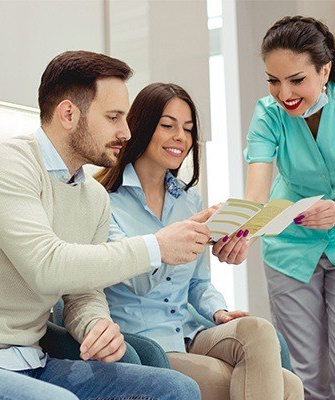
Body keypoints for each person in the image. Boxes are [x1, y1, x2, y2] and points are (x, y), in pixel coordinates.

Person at [0, 50, 208, 400]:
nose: (126, 131)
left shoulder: (93, 197)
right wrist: (156, 246)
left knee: (174, 389)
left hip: (30, 359)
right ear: (69, 114)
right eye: (113, 117)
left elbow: (82, 291)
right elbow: (48, 267)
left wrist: (95, 324)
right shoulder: (5, 164)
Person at [216, 16, 335, 399]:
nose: (284, 94)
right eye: (273, 80)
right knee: (302, 375)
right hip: (291, 246)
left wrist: (334, 212)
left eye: (296, 80)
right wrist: (242, 232)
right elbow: (256, 195)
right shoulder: (268, 114)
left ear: (325, 68)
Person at [95, 82, 303, 400]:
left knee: (258, 330)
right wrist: (176, 237)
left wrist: (218, 311)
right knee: (288, 387)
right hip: (145, 344)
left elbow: (198, 283)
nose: (181, 137)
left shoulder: (189, 200)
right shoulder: (105, 202)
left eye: (188, 129)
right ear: (141, 127)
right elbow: (136, 282)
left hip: (190, 332)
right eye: (168, 125)